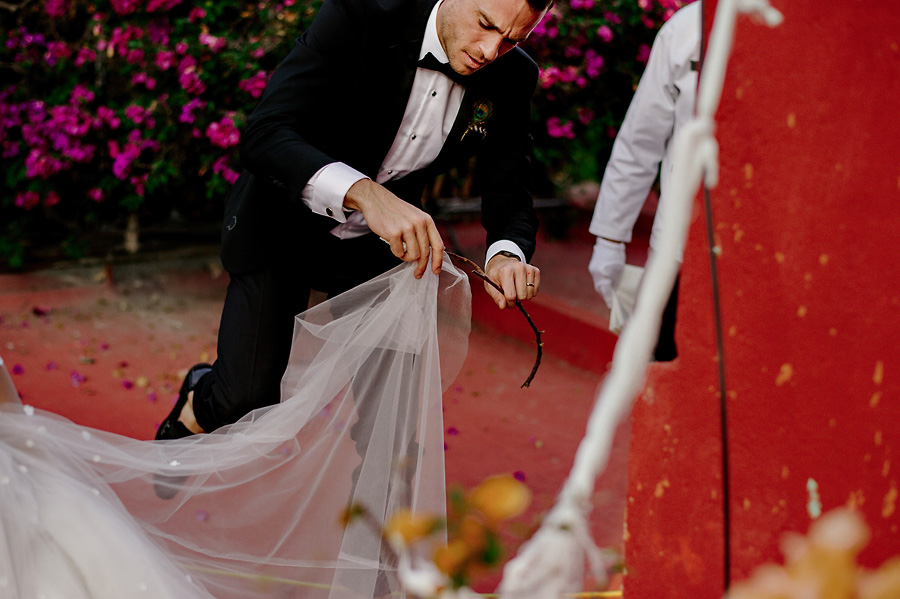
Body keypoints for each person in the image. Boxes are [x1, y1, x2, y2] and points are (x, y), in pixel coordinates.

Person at [156, 0, 552, 442]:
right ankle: (198, 397)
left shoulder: (513, 75)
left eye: (514, 39)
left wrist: (505, 254)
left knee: (389, 422)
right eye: (485, 25)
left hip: (377, 251)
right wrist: (366, 194)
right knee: (246, 398)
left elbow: (509, 188)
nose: (490, 50)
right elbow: (265, 135)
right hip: (282, 224)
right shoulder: (360, 13)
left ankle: (377, 511)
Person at [587, 0, 701, 361]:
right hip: (676, 250)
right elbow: (640, 141)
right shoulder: (686, 28)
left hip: (762, 255)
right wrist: (609, 238)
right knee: (663, 370)